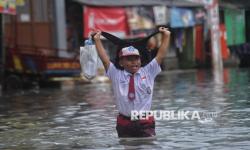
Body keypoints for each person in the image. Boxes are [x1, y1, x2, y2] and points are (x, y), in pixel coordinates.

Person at [93, 27, 171, 138]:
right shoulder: (116, 74)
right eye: (129, 59)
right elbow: (105, 59)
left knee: (148, 145)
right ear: (121, 62)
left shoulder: (148, 71)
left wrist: (166, 35)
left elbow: (161, 55)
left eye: (136, 58)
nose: (134, 62)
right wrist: (97, 40)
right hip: (124, 122)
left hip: (144, 122)